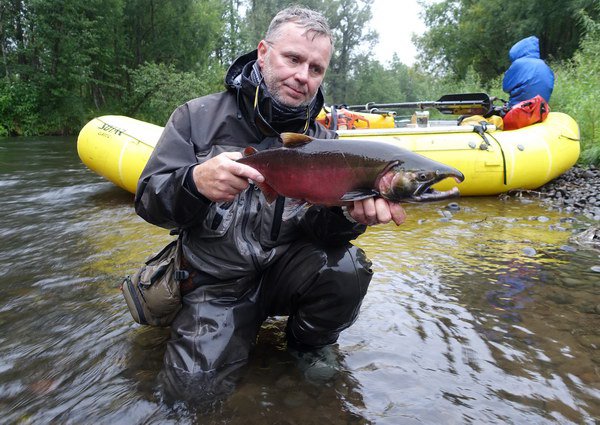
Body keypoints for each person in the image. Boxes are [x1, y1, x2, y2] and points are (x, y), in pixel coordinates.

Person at [134, 6, 406, 399]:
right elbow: (147, 201)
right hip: (217, 283)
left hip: (285, 271)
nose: (303, 76)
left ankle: (308, 345)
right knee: (190, 397)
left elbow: (323, 233)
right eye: (293, 59)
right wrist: (194, 182)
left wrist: (350, 216)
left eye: (316, 69)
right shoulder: (196, 117)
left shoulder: (324, 142)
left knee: (347, 268)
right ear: (263, 53)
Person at [502, 35, 554, 108]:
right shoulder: (545, 65)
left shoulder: (518, 64)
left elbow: (506, 87)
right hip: (540, 110)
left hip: (519, 108)